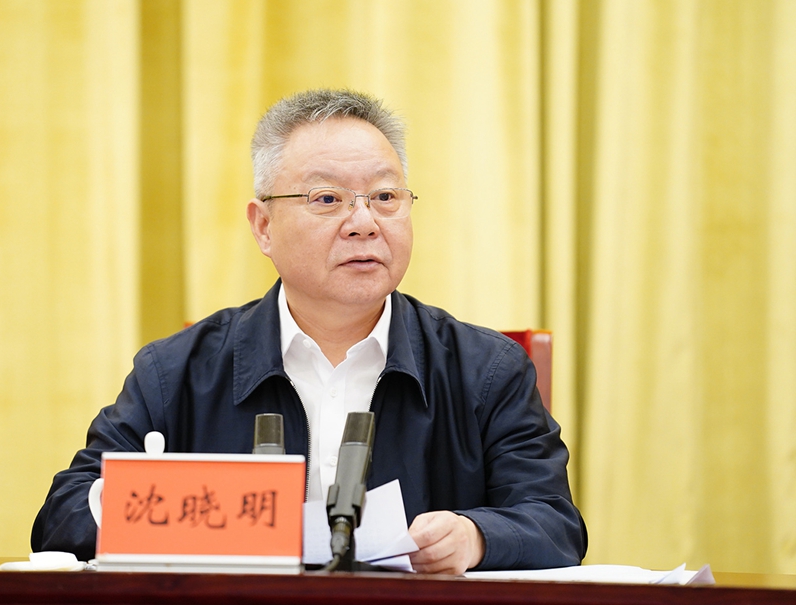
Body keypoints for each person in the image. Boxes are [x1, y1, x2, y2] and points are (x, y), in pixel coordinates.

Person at [31, 88, 587, 574]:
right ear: (263, 226)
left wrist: (475, 537)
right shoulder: (176, 372)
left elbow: (554, 522)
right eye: (327, 199)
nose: (364, 222)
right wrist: (166, 509)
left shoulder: (487, 370)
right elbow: (62, 517)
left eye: (386, 197)